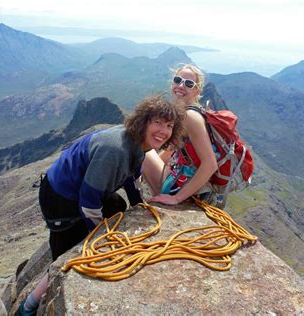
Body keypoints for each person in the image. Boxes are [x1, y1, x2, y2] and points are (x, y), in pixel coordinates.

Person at [17, 95, 185, 315]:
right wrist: (98, 237)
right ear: (143, 122)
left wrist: (140, 205)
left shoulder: (137, 144)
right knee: (68, 255)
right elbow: (88, 204)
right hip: (60, 199)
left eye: (169, 126)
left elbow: (130, 177)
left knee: (116, 205)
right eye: (157, 123)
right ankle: (28, 306)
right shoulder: (115, 150)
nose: (163, 131)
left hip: (78, 189)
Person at [142, 64, 218, 205]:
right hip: (183, 178)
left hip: (189, 189)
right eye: (178, 80)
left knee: (144, 153)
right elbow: (171, 150)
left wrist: (177, 198)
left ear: (197, 90)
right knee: (147, 155)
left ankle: (164, 199)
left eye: (189, 84)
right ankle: (161, 197)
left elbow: (210, 164)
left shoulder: (190, 117)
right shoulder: (187, 112)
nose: (181, 86)